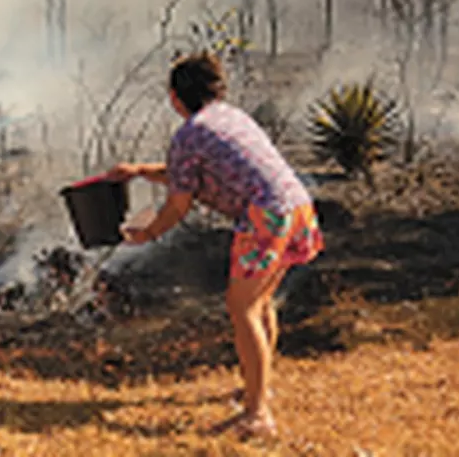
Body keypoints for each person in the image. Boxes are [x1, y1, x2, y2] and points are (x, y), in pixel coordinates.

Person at [106, 50, 324, 439]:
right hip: (297, 207)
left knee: (242, 308)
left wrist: (148, 234)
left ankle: (257, 416)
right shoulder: (229, 117)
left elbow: (178, 203)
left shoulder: (189, 134)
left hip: (266, 216)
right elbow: (184, 176)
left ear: (175, 97)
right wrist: (139, 171)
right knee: (258, 304)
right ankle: (260, 388)